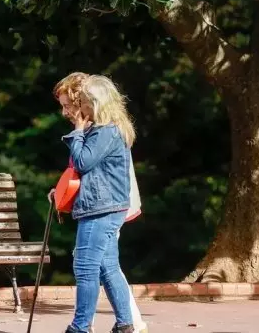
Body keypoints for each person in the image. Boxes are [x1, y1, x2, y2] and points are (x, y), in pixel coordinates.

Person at [52, 73, 146, 333]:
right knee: (107, 266)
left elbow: (83, 162)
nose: (76, 109)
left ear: (94, 103)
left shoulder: (106, 131)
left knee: (85, 266)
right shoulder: (110, 129)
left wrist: (77, 132)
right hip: (106, 205)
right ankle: (126, 324)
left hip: (100, 209)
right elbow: (89, 171)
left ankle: (80, 327)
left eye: (80, 103)